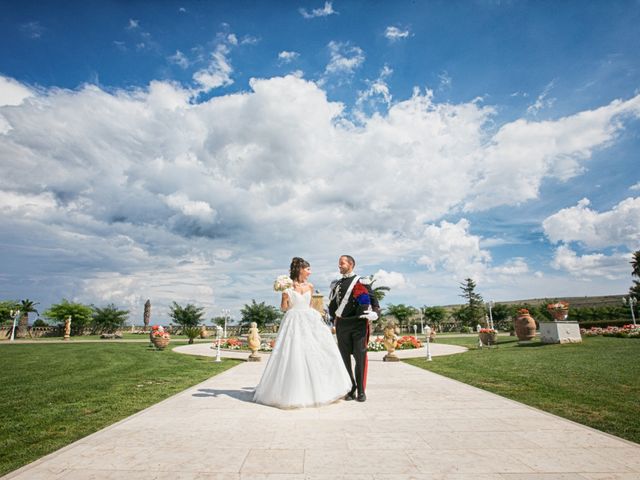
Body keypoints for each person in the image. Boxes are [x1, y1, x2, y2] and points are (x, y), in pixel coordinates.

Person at [254, 257, 352, 408]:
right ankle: (293, 392)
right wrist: (285, 296)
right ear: (300, 269)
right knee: (293, 353)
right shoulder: (287, 288)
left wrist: (318, 318)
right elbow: (284, 308)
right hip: (293, 320)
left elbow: (310, 304)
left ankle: (324, 389)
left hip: (309, 319)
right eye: (307, 269)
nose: (310, 272)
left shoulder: (310, 286)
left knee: (318, 351)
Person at [328, 255, 379, 403]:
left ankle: (362, 390)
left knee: (360, 357)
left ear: (351, 264)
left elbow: (375, 301)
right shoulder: (336, 284)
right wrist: (331, 320)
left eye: (342, 264)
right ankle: (351, 388)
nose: (339, 266)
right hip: (342, 325)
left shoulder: (361, 281)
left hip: (358, 324)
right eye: (339, 264)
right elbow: (333, 305)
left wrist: (376, 313)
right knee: (345, 359)